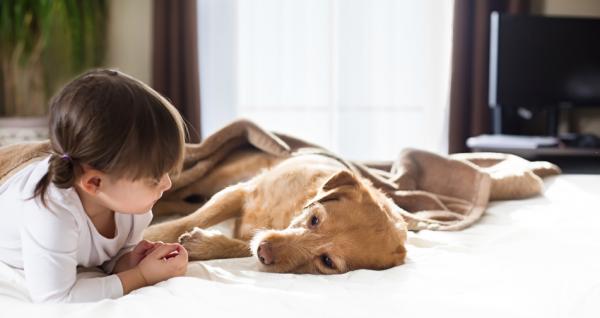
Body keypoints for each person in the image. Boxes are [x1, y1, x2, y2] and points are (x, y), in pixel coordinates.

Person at [0, 69, 189, 303]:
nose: (168, 184)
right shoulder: (50, 213)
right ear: (94, 182)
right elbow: (57, 299)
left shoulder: (131, 207)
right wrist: (140, 275)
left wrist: (129, 260)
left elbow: (106, 258)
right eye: (154, 179)